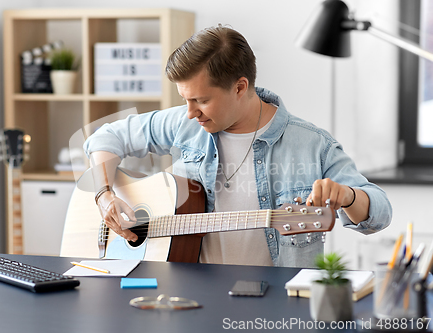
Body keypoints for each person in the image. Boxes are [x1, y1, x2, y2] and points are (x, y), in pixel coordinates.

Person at [84, 25, 392, 268]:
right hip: (188, 295)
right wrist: (104, 195)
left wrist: (349, 196)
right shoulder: (184, 123)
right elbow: (103, 138)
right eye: (185, 99)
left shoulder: (313, 145)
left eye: (201, 100)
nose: (190, 112)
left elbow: (380, 212)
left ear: (240, 87)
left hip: (275, 306)